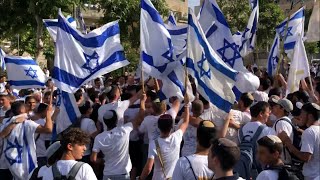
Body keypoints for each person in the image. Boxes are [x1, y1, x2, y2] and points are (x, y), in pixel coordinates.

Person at [91, 93, 146, 180]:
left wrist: (102, 161)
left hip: (107, 174)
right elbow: (140, 118)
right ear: (117, 120)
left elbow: (93, 159)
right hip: (123, 174)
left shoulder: (99, 138)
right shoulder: (124, 131)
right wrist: (142, 102)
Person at [139, 94, 190, 180]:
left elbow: (148, 168)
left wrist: (140, 178)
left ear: (158, 127)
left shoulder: (153, 144)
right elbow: (185, 122)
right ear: (172, 127)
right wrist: (187, 104)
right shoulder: (177, 137)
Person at [0, 101, 53, 179]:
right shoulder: (27, 123)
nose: (28, 107)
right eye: (25, 106)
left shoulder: (6, 122)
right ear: (21, 110)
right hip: (24, 162)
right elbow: (48, 129)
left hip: (6, 161)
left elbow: (2, 134)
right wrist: (48, 113)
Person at [280, 103, 320, 180]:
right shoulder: (315, 130)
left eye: (302, 113)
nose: (300, 116)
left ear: (310, 116)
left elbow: (306, 157)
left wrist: (289, 144)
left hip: (311, 176)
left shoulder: (309, 132)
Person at [270, 97, 294, 164]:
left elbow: (282, 142)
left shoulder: (281, 123)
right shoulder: (284, 120)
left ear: (282, 109)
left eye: (276, 106)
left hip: (282, 162)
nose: (273, 107)